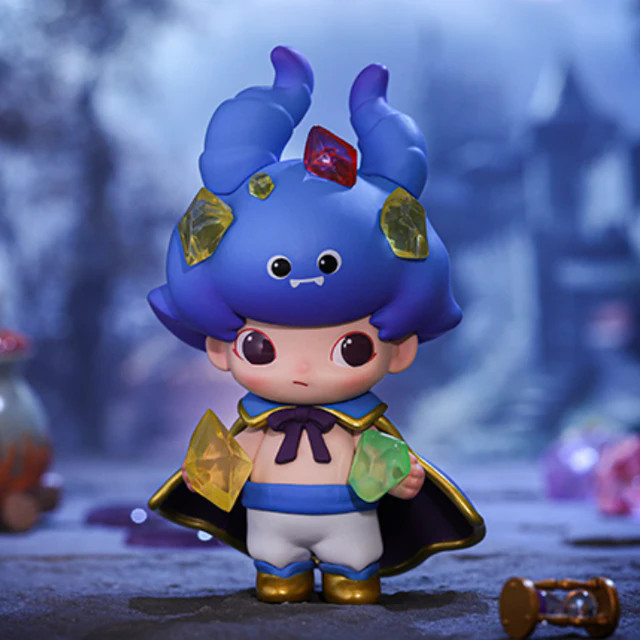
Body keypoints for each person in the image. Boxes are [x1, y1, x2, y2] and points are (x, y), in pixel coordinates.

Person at [148, 45, 485, 605]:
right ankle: (279, 573)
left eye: (351, 348)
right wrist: (207, 473)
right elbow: (223, 469)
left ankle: (352, 576)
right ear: (220, 348)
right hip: (270, 522)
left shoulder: (362, 424)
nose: (302, 368)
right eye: (262, 347)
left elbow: (388, 462)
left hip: (349, 521)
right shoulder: (257, 422)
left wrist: (401, 476)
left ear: (400, 349)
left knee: (354, 567)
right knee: (276, 571)